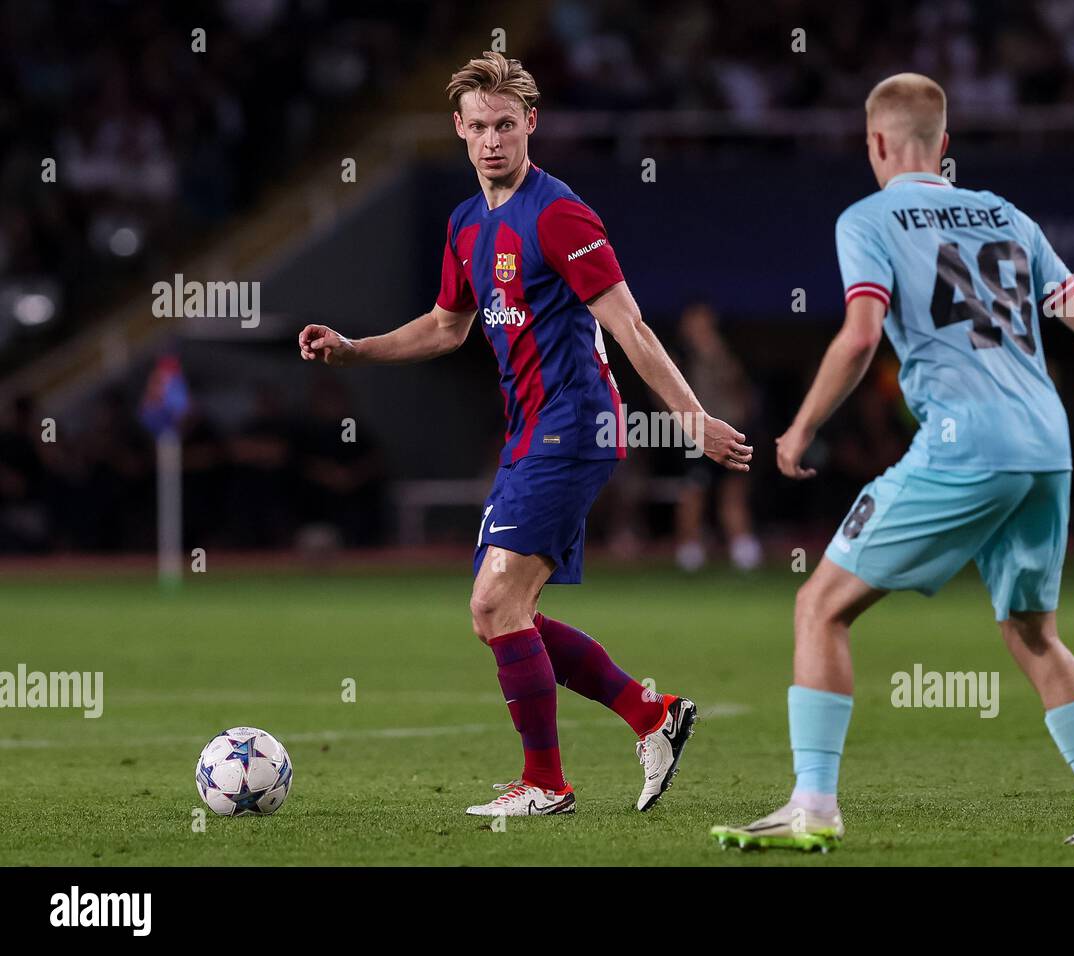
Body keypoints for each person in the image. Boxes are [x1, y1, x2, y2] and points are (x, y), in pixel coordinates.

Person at [298, 52, 752, 816]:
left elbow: (630, 325)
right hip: (527, 434)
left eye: (505, 125)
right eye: (477, 127)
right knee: (510, 616)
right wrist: (356, 346)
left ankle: (546, 784)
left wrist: (690, 418)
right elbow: (447, 327)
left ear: (530, 124)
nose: (491, 141)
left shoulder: (559, 213)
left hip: (574, 425)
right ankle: (653, 715)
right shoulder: (466, 223)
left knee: (493, 605)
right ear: (459, 129)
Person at [711, 73, 1074, 852]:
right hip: (1047, 444)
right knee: (1033, 632)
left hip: (965, 442)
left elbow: (860, 334)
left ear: (876, 143)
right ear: (944, 147)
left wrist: (801, 426)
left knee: (820, 607)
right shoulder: (1009, 215)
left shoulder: (867, 219)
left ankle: (813, 802)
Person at [672, 300, 761, 571]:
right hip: (694, 434)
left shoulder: (727, 352)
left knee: (733, 492)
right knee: (694, 490)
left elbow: (741, 388)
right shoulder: (677, 356)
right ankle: (690, 552)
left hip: (731, 429)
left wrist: (714, 353)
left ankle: (743, 549)